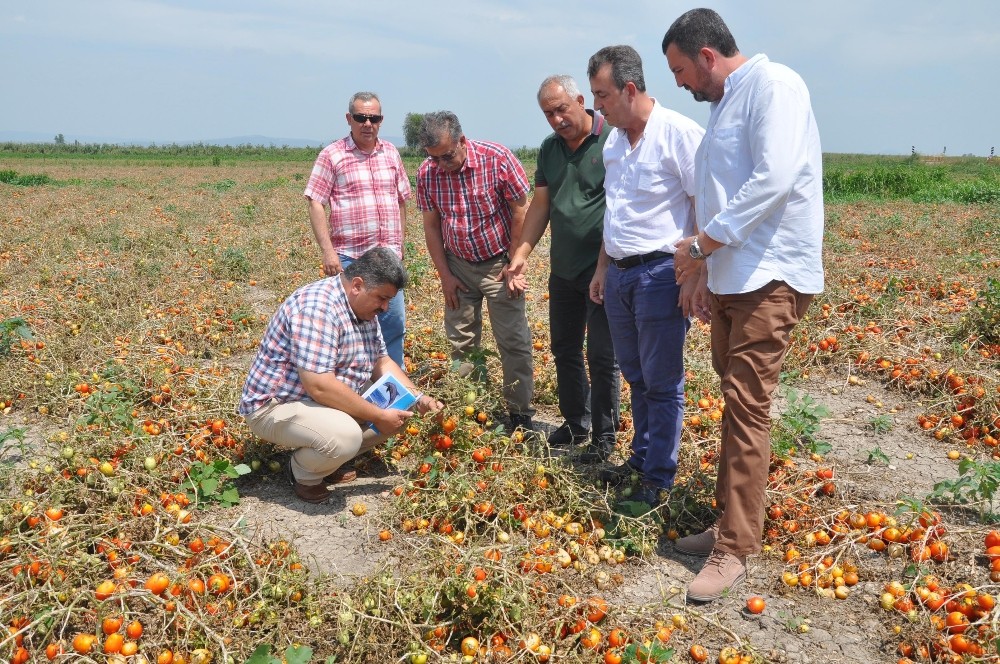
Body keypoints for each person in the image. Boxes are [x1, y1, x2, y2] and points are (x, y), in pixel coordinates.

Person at [662, 8, 824, 601]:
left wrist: (701, 247)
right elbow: (718, 195)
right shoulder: (724, 105)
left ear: (707, 56)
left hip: (770, 275)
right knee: (735, 405)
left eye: (680, 70)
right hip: (734, 277)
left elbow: (774, 179)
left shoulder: (774, 86)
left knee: (747, 407)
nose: (680, 83)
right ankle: (730, 521)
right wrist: (706, 271)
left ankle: (734, 548)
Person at [586, 46, 704, 506]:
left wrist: (697, 272)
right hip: (620, 274)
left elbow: (704, 205)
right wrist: (603, 268)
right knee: (635, 374)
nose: (597, 106)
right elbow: (615, 212)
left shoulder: (679, 134)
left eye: (602, 95)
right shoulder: (614, 143)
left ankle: (659, 476)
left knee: (662, 381)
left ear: (629, 89)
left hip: (660, 273)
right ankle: (640, 458)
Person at [238, 247, 442, 504]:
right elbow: (319, 386)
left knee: (401, 405)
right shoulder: (317, 308)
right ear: (357, 285)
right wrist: (377, 416)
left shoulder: (362, 308)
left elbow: (381, 360)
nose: (385, 307)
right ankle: (303, 472)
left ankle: (327, 459)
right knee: (346, 436)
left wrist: (419, 398)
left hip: (316, 399)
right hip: (275, 406)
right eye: (382, 298)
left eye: (389, 300)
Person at [507, 74, 620, 462]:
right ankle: (576, 422)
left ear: (581, 101)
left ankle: (604, 434)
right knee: (565, 349)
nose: (556, 120)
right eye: (548, 114)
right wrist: (521, 252)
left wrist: (606, 264)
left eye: (561, 110)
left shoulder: (612, 140)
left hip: (602, 267)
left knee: (602, 356)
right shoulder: (549, 149)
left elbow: (620, 207)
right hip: (564, 269)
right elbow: (541, 205)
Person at [416, 111, 536, 432]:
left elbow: (520, 211)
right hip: (457, 264)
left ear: (462, 140)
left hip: (498, 264)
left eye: (447, 155)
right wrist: (445, 276)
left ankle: (520, 413)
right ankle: (474, 409)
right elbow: (432, 227)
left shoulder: (496, 159)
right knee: (462, 341)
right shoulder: (427, 173)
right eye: (434, 158)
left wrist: (514, 262)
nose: (441, 164)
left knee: (512, 340)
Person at [304, 91, 412, 367]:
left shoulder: (391, 153)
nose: (367, 124)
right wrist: (328, 252)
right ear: (349, 118)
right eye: (361, 117)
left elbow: (401, 200)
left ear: (381, 120)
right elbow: (316, 202)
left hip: (388, 258)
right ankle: (352, 383)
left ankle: (392, 385)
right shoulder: (333, 155)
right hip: (352, 258)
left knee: (393, 324)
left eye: (373, 118)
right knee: (350, 326)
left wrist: (400, 244)